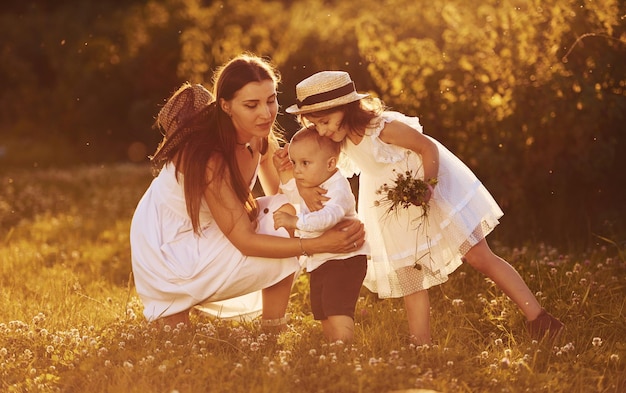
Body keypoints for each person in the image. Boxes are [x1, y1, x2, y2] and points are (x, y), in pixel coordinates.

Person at [283, 70, 564, 344]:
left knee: (478, 255)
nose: (323, 130)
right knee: (410, 276)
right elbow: (303, 160)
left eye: (326, 121)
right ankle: (421, 344)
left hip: (430, 186)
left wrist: (428, 186)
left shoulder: (382, 129)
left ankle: (539, 318)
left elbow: (427, 148)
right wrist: (304, 189)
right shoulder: (336, 139)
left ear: (346, 108)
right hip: (393, 204)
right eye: (316, 124)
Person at [129, 55, 365, 331]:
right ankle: (174, 297)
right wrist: (319, 244)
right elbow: (244, 241)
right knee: (175, 331)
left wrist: (311, 202)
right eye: (251, 105)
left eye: (271, 100)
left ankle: (273, 326)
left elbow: (281, 194)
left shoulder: (258, 133)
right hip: (169, 243)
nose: (266, 113)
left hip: (213, 227)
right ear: (226, 106)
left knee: (283, 214)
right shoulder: (210, 158)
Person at [272, 126, 369, 342]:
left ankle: (344, 347)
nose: (297, 170)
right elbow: (295, 196)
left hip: (345, 259)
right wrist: (284, 174)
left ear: (331, 163)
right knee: (323, 309)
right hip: (322, 259)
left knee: (337, 307)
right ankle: (332, 345)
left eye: (305, 163)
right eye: (295, 163)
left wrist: (296, 221)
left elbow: (328, 218)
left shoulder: (338, 188)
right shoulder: (315, 182)